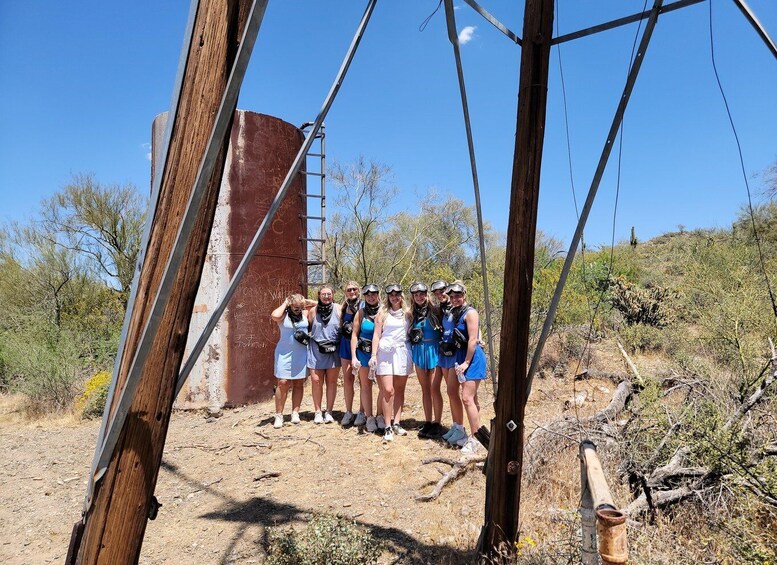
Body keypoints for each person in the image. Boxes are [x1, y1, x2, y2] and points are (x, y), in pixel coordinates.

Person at [439, 281, 487, 454]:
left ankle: (477, 438)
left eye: (458, 296)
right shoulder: (455, 312)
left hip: (472, 359)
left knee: (467, 398)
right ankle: (459, 428)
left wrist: (466, 362)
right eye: (452, 297)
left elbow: (473, 339)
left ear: (464, 295)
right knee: (454, 392)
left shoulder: (470, 313)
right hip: (458, 358)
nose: (455, 299)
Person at [370, 284, 412, 443]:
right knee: (388, 390)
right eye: (391, 295)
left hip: (402, 352)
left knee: (400, 389)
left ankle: (397, 422)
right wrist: (373, 355)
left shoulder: (408, 314)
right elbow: (376, 335)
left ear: (402, 295)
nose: (394, 297)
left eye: (397, 294)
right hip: (385, 353)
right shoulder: (382, 314)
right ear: (388, 297)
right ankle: (387, 425)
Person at [270, 293, 315, 428]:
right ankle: (279, 415)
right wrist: (285, 303)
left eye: (300, 306)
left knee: (298, 383)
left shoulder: (305, 314)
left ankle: (295, 412)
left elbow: (319, 304)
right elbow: (274, 315)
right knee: (283, 383)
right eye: (295, 307)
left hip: (301, 353)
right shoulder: (284, 315)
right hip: (284, 353)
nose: (298, 309)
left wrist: (306, 301)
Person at [407, 282, 445, 439]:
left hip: (435, 350)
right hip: (419, 351)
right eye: (416, 295)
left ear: (426, 294)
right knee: (425, 389)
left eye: (422, 294)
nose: (419, 297)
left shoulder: (436, 310)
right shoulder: (410, 314)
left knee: (434, 388)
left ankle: (437, 422)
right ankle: (428, 421)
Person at [307, 285, 342, 424]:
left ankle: (329, 411)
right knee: (316, 381)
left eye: (329, 294)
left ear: (333, 295)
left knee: (331, 382)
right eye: (323, 294)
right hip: (316, 351)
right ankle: (317, 411)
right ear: (319, 295)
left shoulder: (339, 309)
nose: (326, 296)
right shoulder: (312, 312)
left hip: (334, 350)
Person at [350, 283, 380, 432]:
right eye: (368, 295)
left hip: (381, 354)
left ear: (378, 295)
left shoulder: (384, 311)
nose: (371, 297)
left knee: (383, 386)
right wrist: (354, 357)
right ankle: (369, 417)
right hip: (363, 353)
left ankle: (381, 415)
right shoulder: (360, 313)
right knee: (365, 385)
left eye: (374, 294)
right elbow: (354, 335)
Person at [339, 281, 362, 426]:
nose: (352, 291)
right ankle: (348, 411)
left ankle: (362, 411)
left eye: (354, 289)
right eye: (349, 290)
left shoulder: (364, 306)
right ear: (346, 292)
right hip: (345, 345)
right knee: (348, 379)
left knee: (363, 381)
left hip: (361, 345)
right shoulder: (343, 306)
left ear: (359, 290)